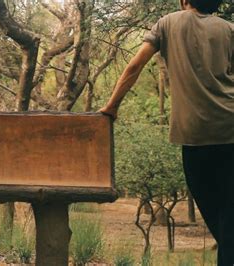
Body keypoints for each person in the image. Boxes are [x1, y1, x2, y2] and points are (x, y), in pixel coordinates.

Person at [99, 0, 234, 264]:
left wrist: (111, 107)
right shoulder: (229, 29)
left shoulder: (167, 24)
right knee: (228, 220)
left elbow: (134, 66)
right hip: (231, 131)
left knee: (222, 221)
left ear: (185, 1)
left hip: (194, 138)